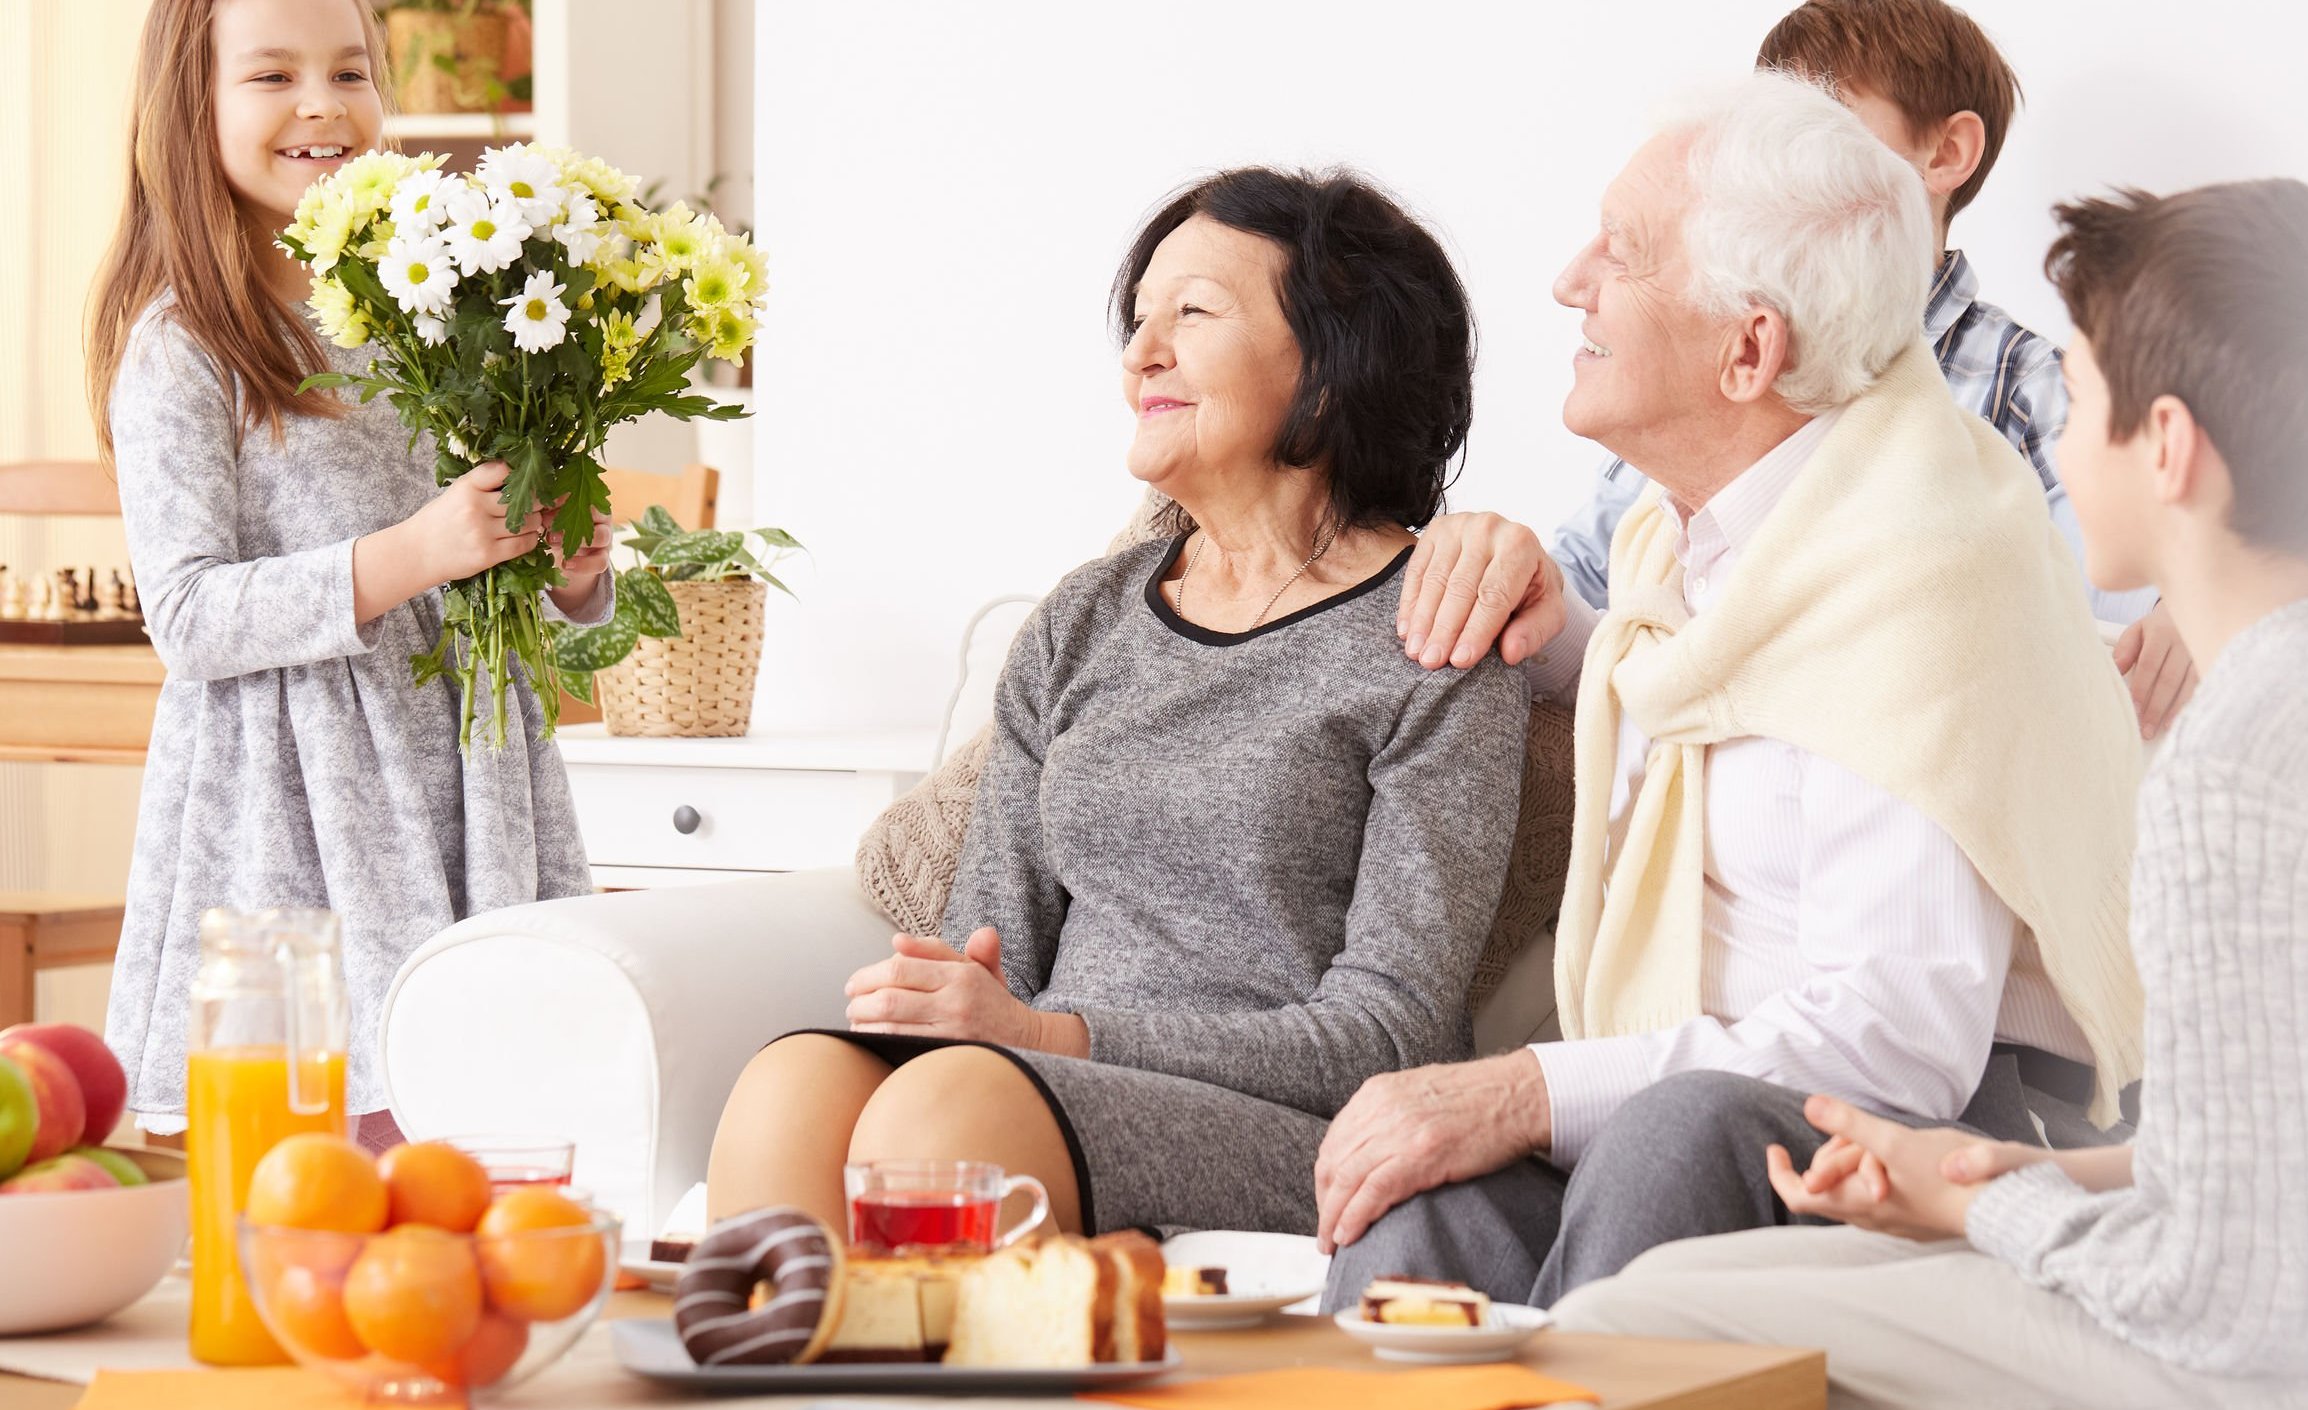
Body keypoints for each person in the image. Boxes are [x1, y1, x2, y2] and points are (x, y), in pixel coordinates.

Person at [1553, 178, 2308, 1410]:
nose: (2049, 441)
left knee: (1642, 1318)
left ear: (2167, 447)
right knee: (1756, 1281)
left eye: (2081, 396)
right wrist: (1986, 1167)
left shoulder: (2237, 779)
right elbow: (2302, 1156)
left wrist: (1983, 1207)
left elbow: (2245, 1297)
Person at [1314, 71, 2144, 1312]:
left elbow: (1902, 1037)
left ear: (1749, 349)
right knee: (1417, 1201)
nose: (1568, 281)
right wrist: (1558, 631)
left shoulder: (1917, 569)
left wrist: (1530, 1088)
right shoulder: (1696, 545)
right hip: (1696, 1116)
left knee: (1670, 1135)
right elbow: (1745, 700)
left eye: (1624, 254)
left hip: (1900, 1138)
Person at [704, 168, 1528, 1240]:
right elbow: (986, 950)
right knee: (795, 1085)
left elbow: (1389, 1035)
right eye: (1139, 321)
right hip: (1037, 1082)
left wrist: (1057, 1042)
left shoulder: (1438, 637)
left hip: (1286, 1123)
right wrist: (956, 1009)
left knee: (949, 1114)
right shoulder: (1083, 620)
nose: (1143, 353)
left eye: (1193, 312)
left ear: (1330, 367)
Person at [92, 0, 613, 1149]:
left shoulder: (430, 309)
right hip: (293, 799)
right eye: (272, 76)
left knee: (490, 1119)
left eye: (350, 70)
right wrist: (412, 553)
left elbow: (478, 572)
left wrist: (562, 572)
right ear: (192, 107)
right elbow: (185, 616)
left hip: (464, 779)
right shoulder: (181, 345)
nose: (324, 105)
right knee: (325, 1153)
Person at [1411, 0, 2195, 738]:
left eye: (1817, 123)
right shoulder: (1695, 366)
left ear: (1947, 152)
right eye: (1764, 124)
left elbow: (2118, 615)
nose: (1774, 151)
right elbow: (1588, 592)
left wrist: (2190, 611)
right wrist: (1508, 576)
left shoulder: (2029, 389)